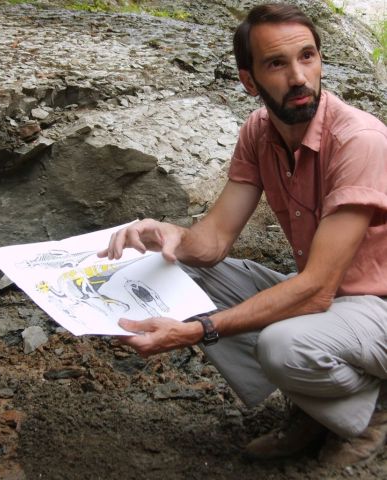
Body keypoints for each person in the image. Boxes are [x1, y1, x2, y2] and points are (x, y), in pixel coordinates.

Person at [98, 2, 387, 467]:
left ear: (320, 60)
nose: (299, 77)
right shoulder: (258, 132)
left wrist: (198, 330)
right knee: (181, 271)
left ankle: (369, 410)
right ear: (248, 80)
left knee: (284, 344)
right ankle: (316, 406)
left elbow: (315, 290)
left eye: (308, 57)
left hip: (377, 308)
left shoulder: (359, 140)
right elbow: (212, 242)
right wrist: (164, 234)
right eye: (277, 63)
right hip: (334, 304)